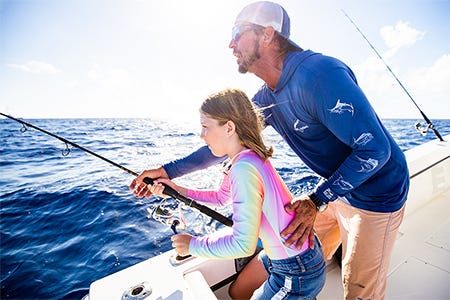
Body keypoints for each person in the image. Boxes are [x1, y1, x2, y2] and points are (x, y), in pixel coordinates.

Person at [130, 2, 410, 299]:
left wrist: (317, 200)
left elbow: (376, 151)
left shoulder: (320, 75)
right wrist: (167, 172)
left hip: (377, 194)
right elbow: (227, 142)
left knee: (359, 289)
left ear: (267, 34)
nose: (230, 44)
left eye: (237, 33)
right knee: (301, 249)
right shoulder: (267, 98)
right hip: (337, 190)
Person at [148, 88, 326, 299]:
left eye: (205, 127)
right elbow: (221, 198)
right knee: (237, 291)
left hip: (296, 270)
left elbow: (243, 244)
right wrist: (176, 190)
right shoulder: (243, 159)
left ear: (229, 128)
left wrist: (193, 245)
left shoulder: (243, 168)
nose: (201, 135)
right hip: (286, 256)